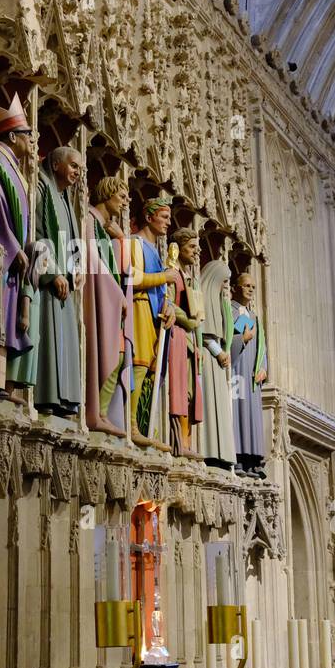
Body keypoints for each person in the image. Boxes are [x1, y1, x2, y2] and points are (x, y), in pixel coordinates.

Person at [0, 94, 38, 399]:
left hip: (16, 258)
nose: (32, 140)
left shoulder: (14, 166)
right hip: (4, 253)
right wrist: (12, 245)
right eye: (28, 135)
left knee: (11, 318)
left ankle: (4, 382)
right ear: (13, 135)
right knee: (1, 315)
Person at [32, 146, 84, 417]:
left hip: (66, 284)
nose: (77, 172)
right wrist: (53, 272)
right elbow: (36, 234)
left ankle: (66, 399)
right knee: (50, 337)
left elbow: (72, 240)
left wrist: (77, 268)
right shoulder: (42, 188)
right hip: (49, 283)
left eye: (79, 168)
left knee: (65, 338)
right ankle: (47, 396)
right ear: (55, 165)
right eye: (73, 166)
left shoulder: (64, 198)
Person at [129, 197, 182, 450]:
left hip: (155, 314)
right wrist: (165, 276)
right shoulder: (135, 242)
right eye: (164, 217)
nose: (168, 223)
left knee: (152, 371)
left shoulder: (156, 251)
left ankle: (147, 426)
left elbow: (162, 290)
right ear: (149, 217)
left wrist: (170, 307)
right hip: (139, 306)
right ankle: (131, 425)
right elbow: (134, 277)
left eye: (169, 218)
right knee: (138, 365)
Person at [84, 176, 133, 437]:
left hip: (109, 298)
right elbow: (92, 260)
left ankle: (102, 413)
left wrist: (122, 238)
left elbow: (123, 268)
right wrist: (117, 294)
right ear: (107, 194)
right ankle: (96, 413)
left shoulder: (106, 228)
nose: (126, 203)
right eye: (122, 197)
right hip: (98, 297)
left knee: (116, 355)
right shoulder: (91, 220)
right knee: (104, 353)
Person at [166, 228, 204, 459]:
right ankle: (178, 443)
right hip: (177, 336)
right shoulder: (172, 271)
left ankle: (187, 441)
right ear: (179, 248)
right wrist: (189, 321)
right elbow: (168, 302)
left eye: (198, 248)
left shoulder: (189, 277)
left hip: (189, 340)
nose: (196, 252)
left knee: (189, 393)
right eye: (192, 247)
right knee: (179, 391)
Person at [197, 260, 237, 471]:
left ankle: (222, 454)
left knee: (218, 404)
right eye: (224, 282)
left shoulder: (218, 301)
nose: (226, 286)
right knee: (209, 404)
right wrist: (219, 352)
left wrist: (224, 351)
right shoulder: (204, 296)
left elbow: (226, 328)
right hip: (209, 356)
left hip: (218, 359)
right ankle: (210, 451)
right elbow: (203, 330)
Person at [230, 270, 269, 478]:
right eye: (247, 286)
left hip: (252, 375)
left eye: (253, 287)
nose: (251, 289)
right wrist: (241, 340)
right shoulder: (229, 311)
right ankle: (237, 457)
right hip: (236, 371)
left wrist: (263, 366)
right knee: (237, 413)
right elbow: (224, 340)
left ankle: (253, 460)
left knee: (252, 415)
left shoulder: (254, 317)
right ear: (236, 287)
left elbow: (262, 344)